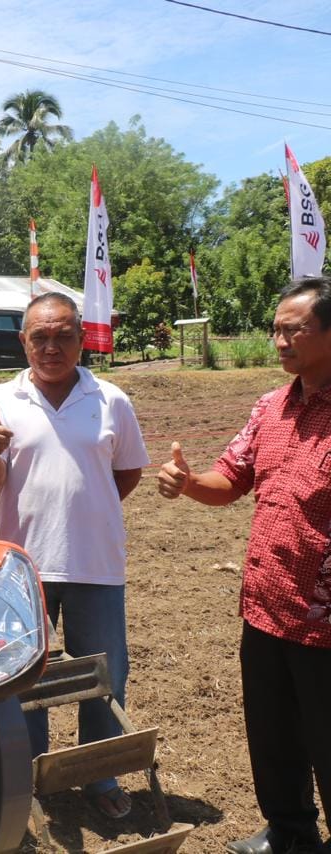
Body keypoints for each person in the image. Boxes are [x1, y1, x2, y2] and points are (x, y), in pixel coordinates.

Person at [158, 277, 331, 854]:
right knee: (274, 738)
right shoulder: (270, 408)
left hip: (326, 621)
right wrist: (188, 483)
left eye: (294, 329)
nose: (280, 340)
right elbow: (229, 480)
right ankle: (289, 834)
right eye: (276, 329)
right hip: (265, 606)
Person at [0, 291, 148, 820]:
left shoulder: (110, 399)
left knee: (106, 673)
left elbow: (127, 472)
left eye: (63, 335)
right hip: (22, 568)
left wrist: (87, 508)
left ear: (81, 339)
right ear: (23, 340)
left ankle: (100, 777)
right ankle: (32, 775)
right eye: (39, 337)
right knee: (24, 675)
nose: (51, 347)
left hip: (96, 562)